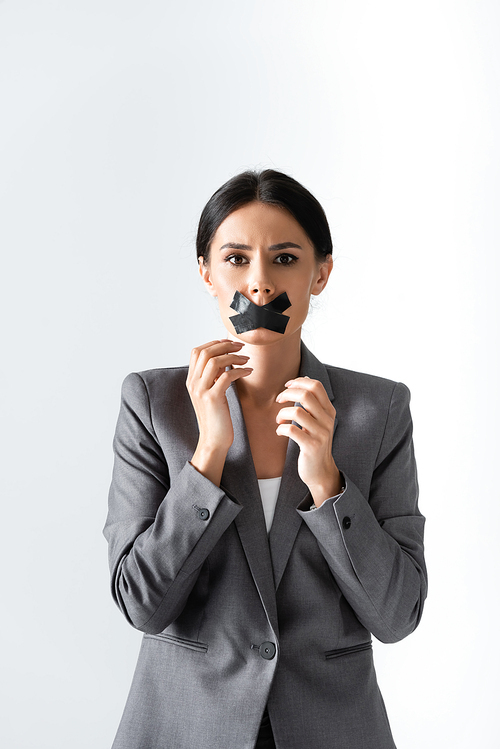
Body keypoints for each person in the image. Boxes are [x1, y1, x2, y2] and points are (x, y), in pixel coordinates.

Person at [104, 169, 427, 749]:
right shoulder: (153, 403)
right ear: (205, 272)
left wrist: (328, 482)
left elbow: (398, 615)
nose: (258, 284)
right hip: (184, 729)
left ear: (319, 273)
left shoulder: (378, 410)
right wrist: (206, 457)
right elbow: (142, 604)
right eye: (234, 258)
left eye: (283, 259)